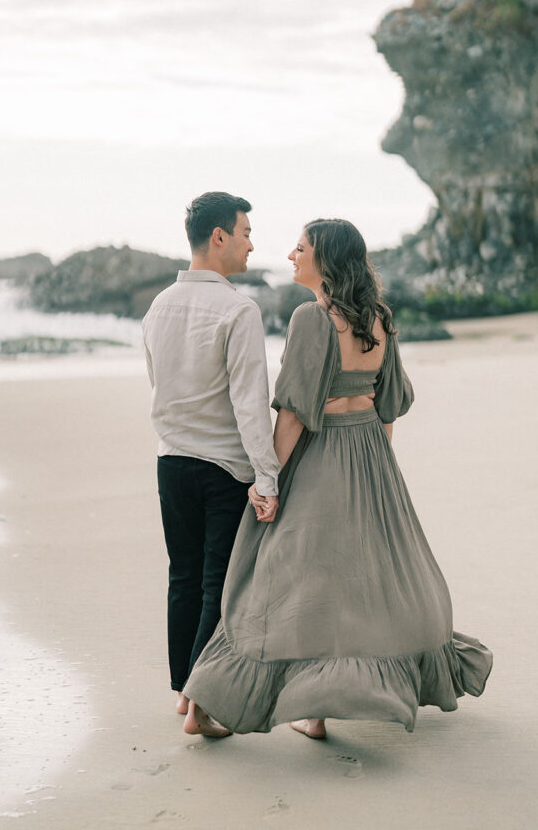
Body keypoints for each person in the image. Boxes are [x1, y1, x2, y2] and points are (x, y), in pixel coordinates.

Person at [183, 218, 492, 738]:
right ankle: (313, 710)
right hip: (371, 454)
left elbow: (295, 413)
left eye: (300, 248)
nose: (290, 255)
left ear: (324, 258)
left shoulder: (313, 319)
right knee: (355, 580)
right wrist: (377, 472)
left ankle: (212, 702)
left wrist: (269, 479)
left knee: (278, 576)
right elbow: (389, 406)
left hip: (321, 453)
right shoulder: (378, 319)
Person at [142, 191, 281, 738]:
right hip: (224, 467)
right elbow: (251, 404)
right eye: (246, 232)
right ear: (219, 236)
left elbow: (159, 382)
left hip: (171, 461)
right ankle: (201, 705)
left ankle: (185, 693)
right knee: (215, 586)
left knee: (182, 576)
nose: (252, 244)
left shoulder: (158, 306)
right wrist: (267, 476)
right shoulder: (239, 311)